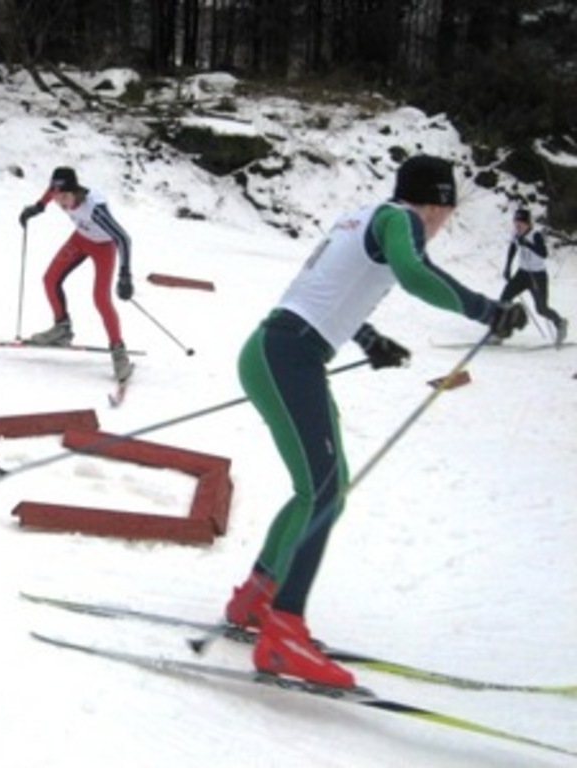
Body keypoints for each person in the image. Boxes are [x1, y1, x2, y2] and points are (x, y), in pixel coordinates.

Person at [223, 155, 528, 688]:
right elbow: (413, 275)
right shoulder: (400, 220)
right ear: (436, 204)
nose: (440, 225)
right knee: (327, 490)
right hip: (287, 355)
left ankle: (257, 596)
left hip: (278, 350)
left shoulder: (365, 217)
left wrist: (368, 339)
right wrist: (487, 309)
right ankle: (284, 633)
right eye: (446, 213)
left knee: (314, 488)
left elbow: (332, 287)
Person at [18, 167, 135, 382]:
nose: (61, 203)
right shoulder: (60, 193)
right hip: (80, 240)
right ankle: (62, 329)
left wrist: (125, 274)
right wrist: (38, 206)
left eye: (65, 197)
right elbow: (51, 191)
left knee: (101, 299)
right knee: (50, 279)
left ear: (76, 191)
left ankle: (119, 352)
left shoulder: (96, 209)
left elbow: (123, 239)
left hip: (103, 248)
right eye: (57, 197)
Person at [499, 208, 568, 347]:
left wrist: (528, 244)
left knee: (541, 309)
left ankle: (560, 323)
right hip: (522, 273)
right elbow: (513, 247)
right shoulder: (516, 233)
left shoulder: (535, 235)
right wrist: (507, 267)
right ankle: (500, 331)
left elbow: (543, 254)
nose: (518, 226)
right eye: (516, 222)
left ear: (528, 223)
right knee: (504, 298)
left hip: (537, 276)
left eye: (521, 223)